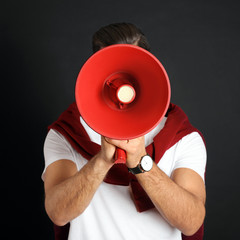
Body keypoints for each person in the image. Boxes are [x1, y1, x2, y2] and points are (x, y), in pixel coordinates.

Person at [42, 23, 207, 240]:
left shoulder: (183, 138)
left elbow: (192, 222)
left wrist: (141, 162)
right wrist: (101, 161)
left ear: (149, 69)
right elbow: (58, 214)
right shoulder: (66, 134)